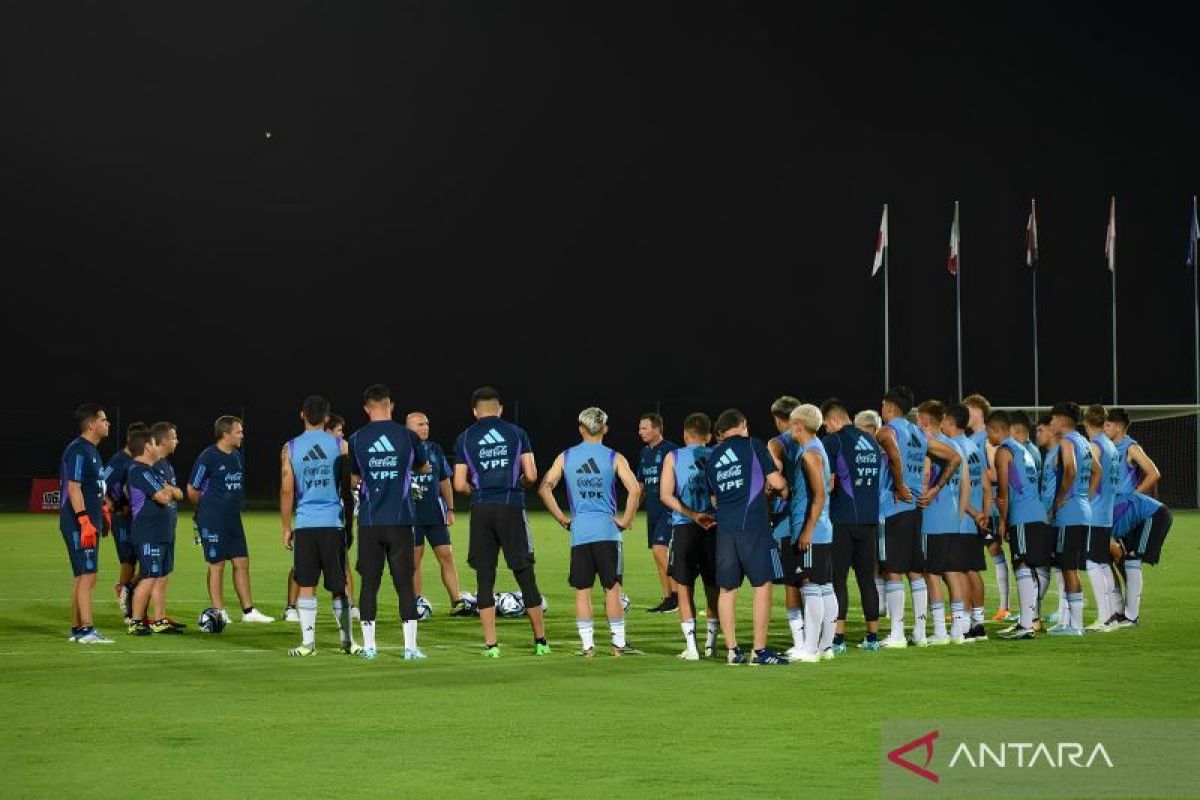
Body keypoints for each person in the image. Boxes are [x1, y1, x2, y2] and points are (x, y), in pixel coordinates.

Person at [453, 387, 548, 658]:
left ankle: (491, 646)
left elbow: (459, 483)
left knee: (485, 578)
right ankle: (540, 641)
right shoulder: (517, 433)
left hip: (481, 509)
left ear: (474, 411)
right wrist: (517, 486)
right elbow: (531, 474)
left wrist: (479, 492)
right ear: (500, 409)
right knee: (524, 574)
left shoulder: (465, 437)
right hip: (511, 506)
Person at [539, 407, 641, 657]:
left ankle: (588, 646)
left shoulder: (566, 457)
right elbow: (635, 490)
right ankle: (618, 645)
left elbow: (544, 488)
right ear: (605, 429)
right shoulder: (614, 457)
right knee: (612, 589)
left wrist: (563, 519)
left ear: (580, 429)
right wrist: (626, 520)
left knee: (583, 591)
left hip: (581, 533)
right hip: (608, 532)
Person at [349, 385, 431, 660]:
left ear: (366, 408)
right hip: (400, 520)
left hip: (370, 522)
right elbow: (423, 466)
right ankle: (410, 648)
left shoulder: (357, 439)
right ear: (391, 405)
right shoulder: (407, 437)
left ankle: (370, 646)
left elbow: (354, 477)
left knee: (369, 583)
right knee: (404, 583)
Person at [704, 409, 789, 665]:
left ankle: (732, 651)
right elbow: (775, 481)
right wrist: (784, 489)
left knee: (727, 589)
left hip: (725, 529)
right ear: (743, 424)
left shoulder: (712, 457)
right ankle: (760, 651)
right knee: (762, 585)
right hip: (753, 525)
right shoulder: (753, 445)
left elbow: (714, 499)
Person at [281, 395, 360, 656]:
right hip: (333, 523)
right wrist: (348, 526)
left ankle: (308, 643)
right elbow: (348, 489)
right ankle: (347, 641)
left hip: (305, 523)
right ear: (327, 418)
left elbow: (286, 491)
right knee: (339, 586)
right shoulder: (340, 444)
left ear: (302, 415)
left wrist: (285, 526)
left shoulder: (290, 448)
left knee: (307, 584)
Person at [188, 415, 273, 624]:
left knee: (242, 562)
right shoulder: (208, 456)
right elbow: (192, 488)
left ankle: (249, 611)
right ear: (225, 434)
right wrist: (205, 511)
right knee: (217, 564)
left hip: (233, 519)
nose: (242, 435)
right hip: (212, 519)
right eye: (239, 432)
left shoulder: (235, 455)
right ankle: (219, 611)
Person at [821, 399, 883, 652]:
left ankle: (837, 639)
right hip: (869, 519)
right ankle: (872, 638)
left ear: (834, 420)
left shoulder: (834, 441)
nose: (826, 429)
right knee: (867, 579)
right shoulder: (871, 441)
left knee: (838, 580)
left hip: (842, 519)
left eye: (826, 424)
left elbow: (830, 482)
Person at [659, 412, 720, 660]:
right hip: (714, 526)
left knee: (684, 588)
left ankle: (692, 648)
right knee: (713, 587)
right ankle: (712, 644)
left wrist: (692, 514)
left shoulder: (673, 456)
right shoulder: (717, 454)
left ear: (684, 435)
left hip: (685, 526)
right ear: (709, 436)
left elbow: (666, 495)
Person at [989, 410, 1048, 639]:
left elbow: (1003, 491)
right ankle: (1029, 621)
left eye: (988, 430)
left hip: (1022, 516)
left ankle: (1025, 625)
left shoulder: (1004, 451)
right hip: (1038, 513)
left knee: (1022, 566)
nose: (987, 436)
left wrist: (1003, 521)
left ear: (997, 430)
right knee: (1031, 568)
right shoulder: (1025, 450)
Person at [915, 400, 969, 647]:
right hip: (952, 517)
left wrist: (927, 493)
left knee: (931, 574)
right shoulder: (956, 445)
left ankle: (939, 630)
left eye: (918, 419)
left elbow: (925, 474)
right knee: (953, 571)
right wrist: (958, 514)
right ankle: (958, 629)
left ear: (925, 421)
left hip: (932, 517)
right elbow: (965, 483)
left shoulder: (930, 445)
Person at [60, 403, 113, 643]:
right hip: (78, 521)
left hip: (87, 519)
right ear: (92, 424)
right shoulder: (80, 449)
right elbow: (74, 487)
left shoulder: (91, 450)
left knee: (83, 575)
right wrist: (84, 520)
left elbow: (92, 488)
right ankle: (88, 629)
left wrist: (101, 510)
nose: (107, 423)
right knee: (88, 574)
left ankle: (77, 629)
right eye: (103, 420)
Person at [406, 412, 469, 614]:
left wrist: (450, 509)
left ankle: (456, 601)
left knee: (446, 555)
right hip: (410, 514)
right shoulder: (401, 450)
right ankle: (416, 602)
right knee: (415, 558)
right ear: (408, 428)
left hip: (434, 512)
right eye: (419, 424)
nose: (425, 427)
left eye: (427, 424)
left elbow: (444, 481)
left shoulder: (434, 449)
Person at [788, 404, 837, 663]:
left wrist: (806, 530)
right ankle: (825, 647)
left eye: (791, 424)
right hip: (823, 528)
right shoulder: (817, 448)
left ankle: (810, 650)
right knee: (825, 586)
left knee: (810, 585)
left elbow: (819, 494)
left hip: (813, 530)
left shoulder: (809, 454)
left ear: (798, 425)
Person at [127, 425, 185, 635]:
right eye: (152, 442)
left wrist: (168, 490)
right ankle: (135, 622)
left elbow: (177, 493)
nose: (156, 445)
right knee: (149, 575)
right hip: (148, 532)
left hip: (164, 531)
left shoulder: (153, 470)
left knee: (161, 575)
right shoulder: (139, 471)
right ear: (147, 446)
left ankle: (159, 619)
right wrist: (168, 490)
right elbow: (163, 496)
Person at [1046, 401, 1095, 636]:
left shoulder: (1067, 441)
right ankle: (1067, 622)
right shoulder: (1084, 441)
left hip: (1069, 513)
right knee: (1067, 568)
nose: (1051, 423)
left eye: (1054, 419)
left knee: (1068, 569)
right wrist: (1085, 495)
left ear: (1063, 420)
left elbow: (1071, 470)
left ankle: (1075, 626)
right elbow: (1098, 472)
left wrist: (1059, 498)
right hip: (1082, 510)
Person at [945, 404, 992, 641]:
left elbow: (957, 490)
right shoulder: (974, 447)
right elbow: (985, 486)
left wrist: (974, 514)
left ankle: (962, 624)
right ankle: (978, 622)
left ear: (951, 421)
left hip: (960, 519)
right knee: (973, 570)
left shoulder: (952, 447)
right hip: (975, 521)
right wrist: (985, 515)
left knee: (958, 571)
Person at [765, 395, 804, 658]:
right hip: (815, 519)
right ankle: (820, 638)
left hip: (786, 520)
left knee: (790, 582)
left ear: (780, 419)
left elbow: (773, 478)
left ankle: (800, 641)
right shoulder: (812, 440)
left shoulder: (777, 443)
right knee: (813, 582)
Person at [102, 421, 148, 622]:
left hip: (136, 517)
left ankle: (129, 593)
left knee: (141, 559)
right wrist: (113, 506)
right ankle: (124, 595)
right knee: (128, 559)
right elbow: (101, 485)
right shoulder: (118, 460)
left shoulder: (139, 460)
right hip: (122, 519)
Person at [1082, 404, 1121, 632]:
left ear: (1086, 424)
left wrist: (1082, 498)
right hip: (1106, 511)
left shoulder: (1094, 446)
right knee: (1103, 563)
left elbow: (1091, 476)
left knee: (1092, 563)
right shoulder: (1111, 446)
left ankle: (1104, 617)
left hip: (1094, 513)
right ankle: (1113, 613)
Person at [635, 413, 679, 613]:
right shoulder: (645, 453)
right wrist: (631, 511)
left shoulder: (672, 451)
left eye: (644, 428)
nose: (640, 432)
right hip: (653, 511)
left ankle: (678, 595)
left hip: (669, 511)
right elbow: (641, 485)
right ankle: (669, 596)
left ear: (657, 429)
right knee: (657, 553)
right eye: (640, 428)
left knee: (660, 550)